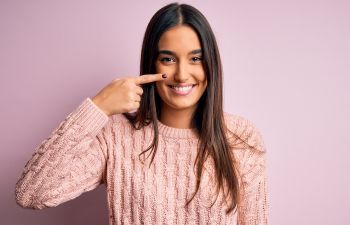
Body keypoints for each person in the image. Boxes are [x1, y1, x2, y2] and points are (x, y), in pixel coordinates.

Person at [15, 2, 269, 225]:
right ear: (151, 64)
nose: (181, 74)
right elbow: (32, 193)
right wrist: (98, 107)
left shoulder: (240, 135)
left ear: (211, 64)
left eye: (195, 59)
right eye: (168, 59)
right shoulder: (116, 135)